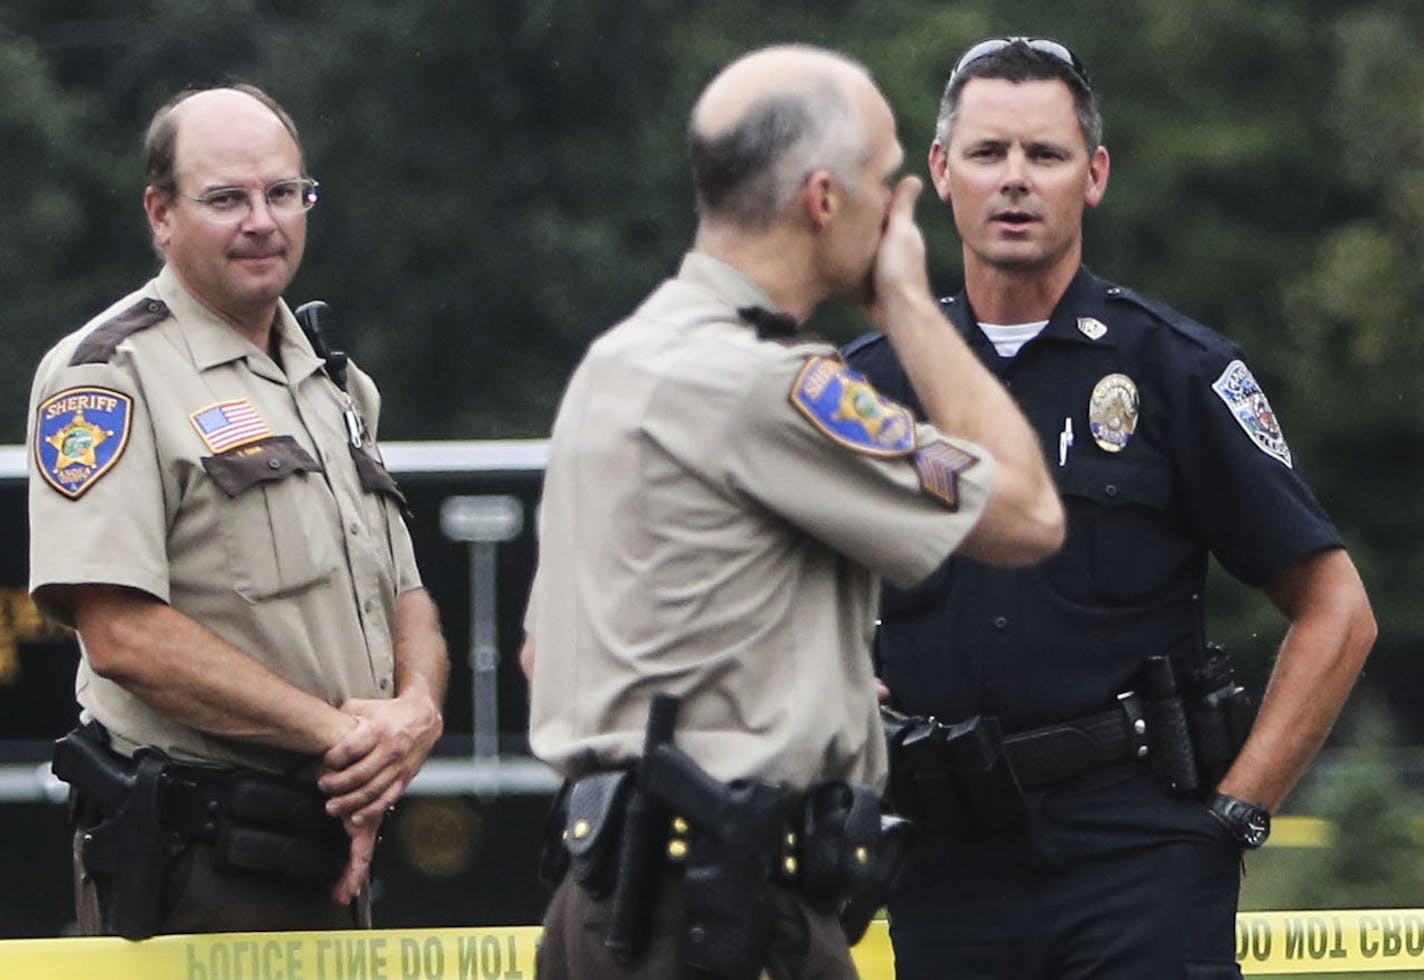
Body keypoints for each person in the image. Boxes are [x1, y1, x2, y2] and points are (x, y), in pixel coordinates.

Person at [519, 44, 1065, 980]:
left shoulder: (619, 360)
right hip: (721, 907)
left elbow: (545, 649)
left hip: (606, 895)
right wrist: (906, 304)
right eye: (889, 184)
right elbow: (1026, 512)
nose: (902, 212)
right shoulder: (775, 387)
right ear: (823, 202)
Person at [843, 37, 1378, 979]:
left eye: (1044, 156)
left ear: (1093, 176)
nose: (1016, 180)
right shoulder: (870, 389)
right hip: (944, 858)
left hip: (1139, 856)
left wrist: (1237, 812)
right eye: (988, 153)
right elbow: (771, 590)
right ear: (939, 171)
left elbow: (1337, 612)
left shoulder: (1175, 371)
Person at [26, 84, 448, 939]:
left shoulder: (334, 381)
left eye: (284, 193)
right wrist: (341, 739)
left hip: (331, 846)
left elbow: (406, 595)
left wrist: (416, 715)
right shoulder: (108, 375)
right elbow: (120, 634)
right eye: (227, 199)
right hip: (197, 866)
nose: (263, 221)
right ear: (161, 213)